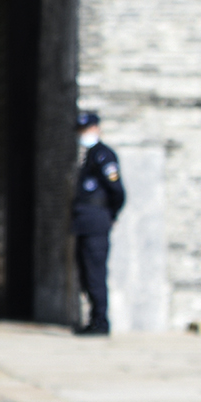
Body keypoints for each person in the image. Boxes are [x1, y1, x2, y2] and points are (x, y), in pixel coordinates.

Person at [71, 107, 124, 335]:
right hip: (83, 224)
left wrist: (110, 215)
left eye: (87, 129)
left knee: (95, 274)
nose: (83, 133)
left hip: (96, 224)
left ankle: (100, 322)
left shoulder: (104, 155)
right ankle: (94, 320)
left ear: (96, 129)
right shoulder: (88, 157)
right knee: (85, 274)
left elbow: (118, 191)